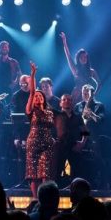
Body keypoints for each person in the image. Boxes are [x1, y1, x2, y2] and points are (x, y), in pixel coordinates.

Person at [24, 62, 55, 198]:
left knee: (44, 173)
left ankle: (45, 198)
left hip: (47, 144)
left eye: (39, 96)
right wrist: (33, 74)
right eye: (35, 96)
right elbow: (31, 92)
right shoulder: (31, 111)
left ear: (43, 98)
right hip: (33, 143)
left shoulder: (49, 112)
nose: (37, 97)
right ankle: (36, 200)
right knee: (33, 174)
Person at [53, 94, 86, 185]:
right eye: (64, 99)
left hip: (74, 146)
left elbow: (85, 131)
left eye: (69, 99)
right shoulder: (56, 115)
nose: (67, 101)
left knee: (76, 171)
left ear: (72, 102)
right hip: (60, 146)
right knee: (58, 170)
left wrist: (82, 143)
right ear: (60, 103)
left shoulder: (77, 117)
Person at [60, 32, 100, 103]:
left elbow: (99, 83)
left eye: (85, 57)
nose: (84, 58)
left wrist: (94, 94)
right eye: (81, 57)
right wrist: (64, 42)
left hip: (88, 96)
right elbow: (68, 56)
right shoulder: (75, 70)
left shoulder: (92, 71)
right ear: (78, 59)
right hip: (76, 96)